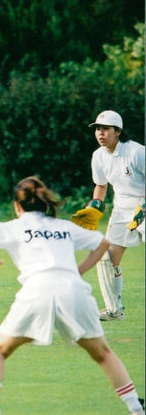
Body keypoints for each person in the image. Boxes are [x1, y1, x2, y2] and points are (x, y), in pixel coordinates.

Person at [0, 176, 144, 415]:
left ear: (17, 206)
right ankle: (137, 411)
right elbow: (103, 244)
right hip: (73, 290)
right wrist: (77, 271)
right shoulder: (64, 227)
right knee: (103, 354)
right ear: (45, 203)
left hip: (36, 291)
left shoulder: (13, 227)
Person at [70, 110, 145, 321]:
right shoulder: (98, 156)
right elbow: (101, 185)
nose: (100, 133)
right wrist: (95, 206)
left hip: (144, 203)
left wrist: (144, 207)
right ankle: (114, 310)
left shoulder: (137, 152)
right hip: (122, 207)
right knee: (106, 258)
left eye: (105, 129)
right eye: (97, 129)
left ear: (118, 131)